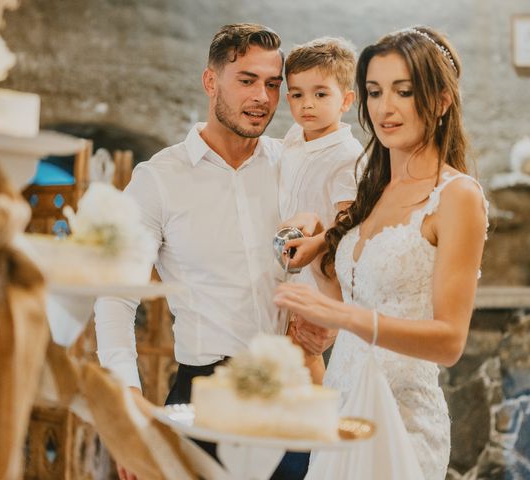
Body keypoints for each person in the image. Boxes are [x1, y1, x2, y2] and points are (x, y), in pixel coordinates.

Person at [95, 23, 310, 480]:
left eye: (274, 85)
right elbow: (115, 295)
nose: (263, 98)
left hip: (293, 394)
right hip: (201, 396)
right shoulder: (158, 179)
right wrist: (127, 398)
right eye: (247, 80)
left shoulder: (293, 165)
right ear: (210, 81)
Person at [274, 26, 488, 479]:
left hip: (400, 421)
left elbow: (450, 341)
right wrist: (316, 238)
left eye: (403, 91)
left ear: (441, 101)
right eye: (374, 91)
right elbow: (348, 295)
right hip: (342, 410)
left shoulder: (456, 196)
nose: (385, 108)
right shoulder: (373, 189)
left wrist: (345, 319)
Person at [277, 37, 365, 382]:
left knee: (303, 352)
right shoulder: (294, 137)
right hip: (285, 267)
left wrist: (315, 246)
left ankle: (314, 431)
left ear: (345, 100)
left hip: (318, 273)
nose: (307, 105)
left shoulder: (347, 156)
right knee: (279, 363)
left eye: (320, 94)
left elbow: (349, 221)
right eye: (297, 95)